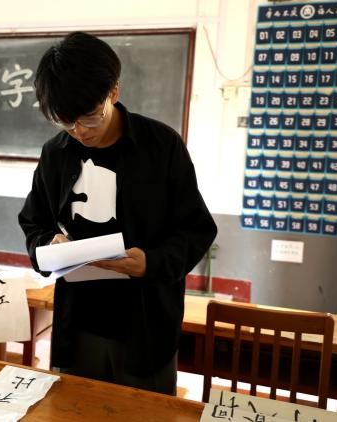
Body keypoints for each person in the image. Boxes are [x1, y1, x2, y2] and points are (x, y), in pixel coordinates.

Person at [18, 31, 217, 395]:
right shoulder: (57, 153)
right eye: (66, 122)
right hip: (78, 322)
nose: (80, 132)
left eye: (89, 118)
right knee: (75, 410)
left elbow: (196, 229)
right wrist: (49, 244)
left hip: (145, 324)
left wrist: (151, 262)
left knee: (145, 413)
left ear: (113, 92)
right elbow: (34, 220)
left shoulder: (161, 146)